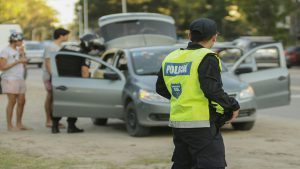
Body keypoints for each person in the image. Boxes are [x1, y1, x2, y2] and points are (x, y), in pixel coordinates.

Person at [156, 18, 240, 169]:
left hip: (179, 123)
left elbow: (160, 88)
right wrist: (233, 105)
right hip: (201, 123)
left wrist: (183, 97)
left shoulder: (171, 57)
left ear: (189, 36)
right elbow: (212, 90)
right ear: (214, 37)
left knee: (183, 164)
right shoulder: (207, 57)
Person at [51, 33, 105, 134]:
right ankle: (71, 126)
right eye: (94, 46)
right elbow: (85, 73)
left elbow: (56, 60)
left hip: (59, 80)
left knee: (58, 103)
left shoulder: (66, 47)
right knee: (72, 104)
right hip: (73, 82)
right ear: (88, 44)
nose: (94, 49)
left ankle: (54, 127)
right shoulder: (84, 54)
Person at [0, 32, 30, 131]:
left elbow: (24, 61)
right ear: (14, 40)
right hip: (9, 78)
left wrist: (22, 54)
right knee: (12, 101)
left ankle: (19, 124)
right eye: (20, 40)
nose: (22, 42)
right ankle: (9, 126)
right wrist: (18, 61)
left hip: (19, 78)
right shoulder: (5, 51)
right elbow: (2, 67)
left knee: (22, 101)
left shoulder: (18, 50)